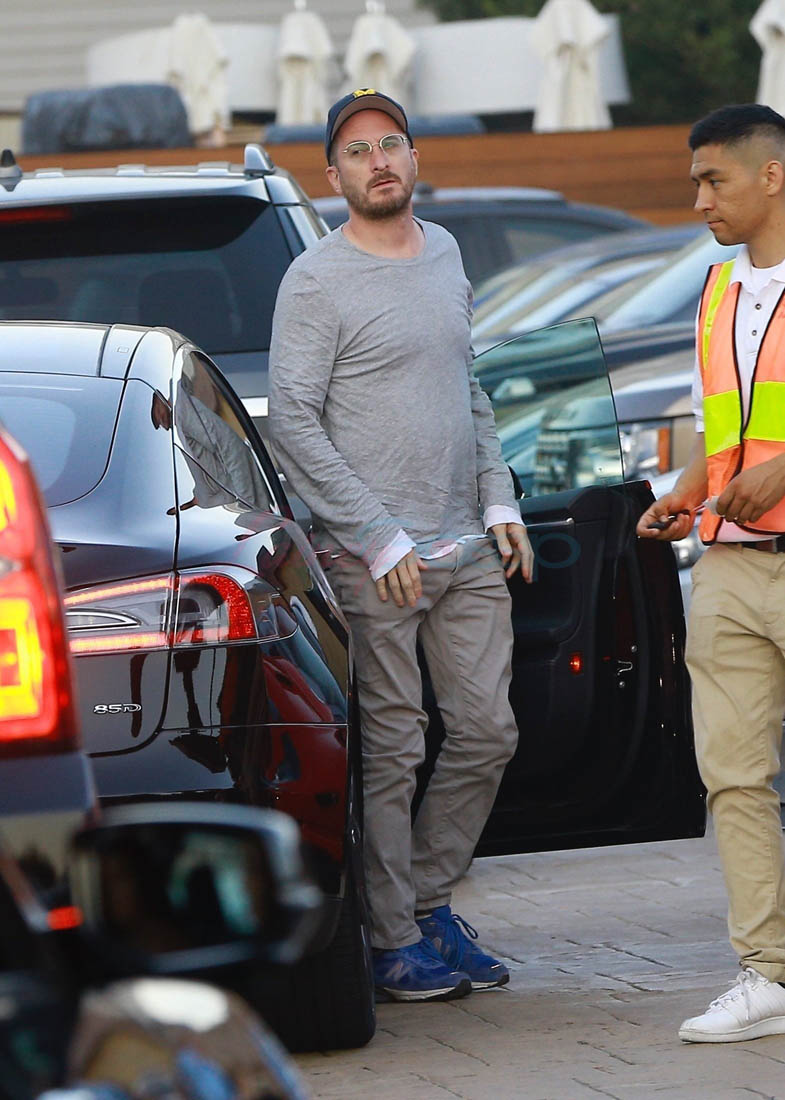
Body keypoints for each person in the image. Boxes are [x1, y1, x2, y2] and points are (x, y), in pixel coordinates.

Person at [268, 88, 533, 1003]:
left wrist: (498, 497)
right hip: (373, 560)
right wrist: (376, 536)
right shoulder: (315, 281)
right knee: (393, 748)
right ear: (331, 174)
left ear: (414, 158)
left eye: (390, 143)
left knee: (489, 732)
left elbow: (469, 387)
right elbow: (293, 422)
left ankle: (425, 901)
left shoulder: (446, 253)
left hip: (465, 546)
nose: (377, 161)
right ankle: (391, 939)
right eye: (357, 150)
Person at [637, 103, 785, 1043]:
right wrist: (686, 491)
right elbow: (718, 424)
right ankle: (767, 974)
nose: (698, 200)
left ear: (771, 176)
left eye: (712, 180)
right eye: (694, 182)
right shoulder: (716, 287)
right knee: (730, 775)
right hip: (728, 564)